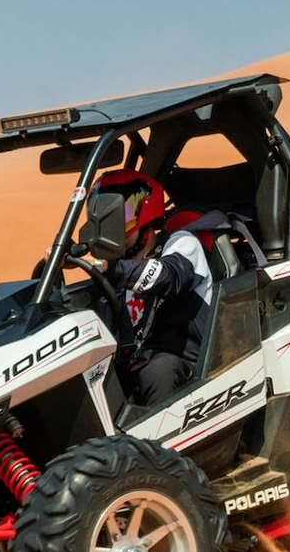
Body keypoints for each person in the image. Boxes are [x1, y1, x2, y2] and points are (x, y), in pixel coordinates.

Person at [84, 169, 213, 407]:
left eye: (119, 215)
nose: (109, 226)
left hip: (186, 362)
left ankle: (166, 444)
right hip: (133, 363)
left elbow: (169, 277)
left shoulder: (182, 243)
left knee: (158, 371)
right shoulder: (115, 268)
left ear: (144, 212)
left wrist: (109, 268)